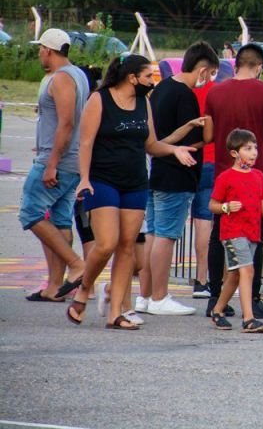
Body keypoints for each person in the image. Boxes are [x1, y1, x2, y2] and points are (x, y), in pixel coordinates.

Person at [65, 55, 198, 329]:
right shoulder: (100, 99)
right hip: (102, 180)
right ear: (132, 78)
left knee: (127, 247)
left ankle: (116, 312)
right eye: (148, 76)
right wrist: (85, 179)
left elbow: (151, 144)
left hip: (135, 182)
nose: (152, 81)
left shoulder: (144, 103)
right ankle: (83, 288)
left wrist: (174, 149)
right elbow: (86, 142)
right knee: (107, 243)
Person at [202, 43, 263, 320]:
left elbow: (209, 136)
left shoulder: (216, 92)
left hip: (224, 171)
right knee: (254, 236)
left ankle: (215, 294)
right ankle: (255, 297)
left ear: (236, 63)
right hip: (255, 173)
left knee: (218, 234)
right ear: (259, 67)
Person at [142, 41, 218, 316]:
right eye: (209, 74)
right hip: (178, 175)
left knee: (152, 233)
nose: (208, 79)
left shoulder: (160, 88)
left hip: (157, 170)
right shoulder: (186, 95)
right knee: (166, 236)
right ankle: (160, 297)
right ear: (202, 69)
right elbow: (196, 140)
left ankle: (145, 294)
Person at [20, 29, 89, 303]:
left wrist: (51, 164)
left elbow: (67, 123)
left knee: (30, 212)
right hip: (70, 161)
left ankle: (76, 265)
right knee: (60, 219)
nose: (39, 53)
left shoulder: (61, 79)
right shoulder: (78, 75)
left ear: (48, 50)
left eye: (40, 49)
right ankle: (55, 287)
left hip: (58, 160)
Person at [209, 129, 263, 333]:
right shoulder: (226, 177)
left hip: (252, 232)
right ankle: (248, 318)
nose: (254, 152)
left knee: (235, 276)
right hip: (232, 232)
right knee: (247, 271)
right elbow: (213, 204)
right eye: (248, 148)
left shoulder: (258, 176)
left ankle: (217, 310)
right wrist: (226, 207)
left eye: (255, 147)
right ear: (234, 153)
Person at [190, 75, 217, 299]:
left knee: (200, 220)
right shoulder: (218, 92)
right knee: (216, 220)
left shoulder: (185, 91)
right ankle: (217, 278)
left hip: (190, 159)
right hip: (216, 159)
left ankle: (200, 279)